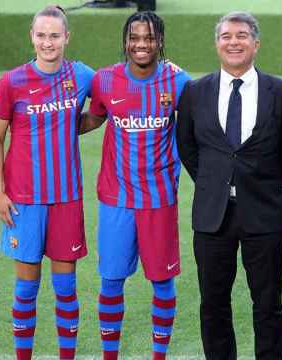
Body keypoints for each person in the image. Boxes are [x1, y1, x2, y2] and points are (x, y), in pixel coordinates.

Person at [176, 11, 282, 360]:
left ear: (256, 43)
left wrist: (259, 183)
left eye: (242, 35)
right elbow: (187, 147)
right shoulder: (194, 92)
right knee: (213, 304)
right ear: (217, 43)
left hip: (263, 214)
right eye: (227, 36)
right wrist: (215, 182)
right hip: (211, 216)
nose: (234, 42)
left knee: (267, 304)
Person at [79, 11, 190, 360]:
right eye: (135, 38)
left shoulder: (178, 82)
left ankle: (160, 355)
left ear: (160, 42)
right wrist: (49, 122)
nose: (141, 45)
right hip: (116, 198)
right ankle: (109, 355)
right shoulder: (104, 81)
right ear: (125, 41)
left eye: (149, 38)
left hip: (159, 198)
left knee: (162, 281)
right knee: (111, 281)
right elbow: (94, 117)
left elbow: (195, 127)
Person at [0, 5, 93, 360]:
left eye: (54, 35)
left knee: (66, 289)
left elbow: (112, 96)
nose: (47, 42)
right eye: (41, 35)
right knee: (26, 289)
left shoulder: (80, 75)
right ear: (31, 36)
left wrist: (78, 125)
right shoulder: (12, 82)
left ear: (67, 38)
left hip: (66, 199)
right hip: (23, 201)